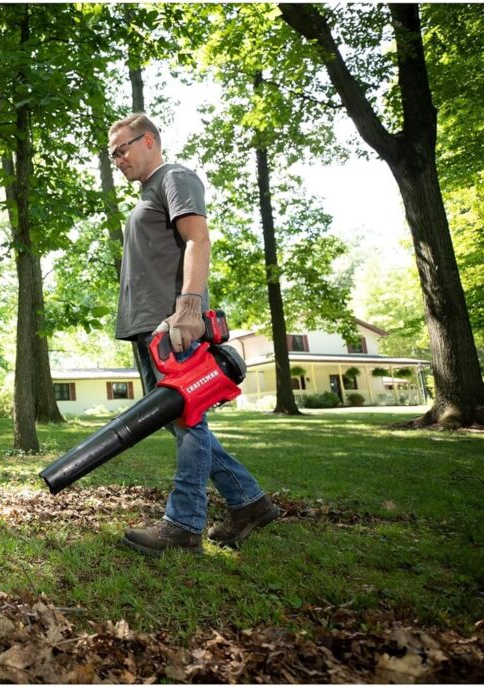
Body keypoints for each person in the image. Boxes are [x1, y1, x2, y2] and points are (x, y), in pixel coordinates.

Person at [107, 113, 280, 555]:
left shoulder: (174, 178)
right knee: (180, 421)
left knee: (188, 420)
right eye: (113, 155)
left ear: (149, 140)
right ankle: (249, 502)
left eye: (123, 149)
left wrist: (187, 308)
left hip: (173, 328)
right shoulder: (149, 193)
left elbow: (198, 240)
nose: (118, 159)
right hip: (150, 328)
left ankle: (184, 525)